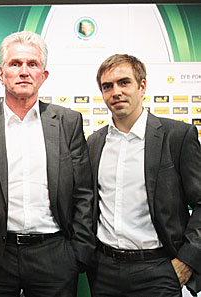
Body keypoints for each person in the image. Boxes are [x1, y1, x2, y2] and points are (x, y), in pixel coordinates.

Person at [0, 30, 95, 297]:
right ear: (0, 73)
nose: (24, 71)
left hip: (55, 255)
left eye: (32, 64)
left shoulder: (67, 123)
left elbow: (84, 194)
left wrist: (78, 254)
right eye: (15, 64)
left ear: (44, 75)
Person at [87, 54, 201, 296]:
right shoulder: (94, 143)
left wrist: (187, 262)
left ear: (142, 86)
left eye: (124, 83)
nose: (116, 92)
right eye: (108, 86)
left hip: (159, 270)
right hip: (104, 271)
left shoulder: (177, 137)